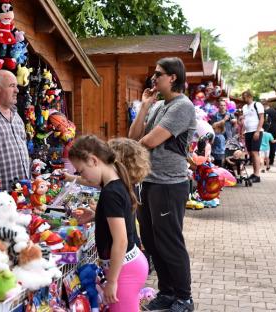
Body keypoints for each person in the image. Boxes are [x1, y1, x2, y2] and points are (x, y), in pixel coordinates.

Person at [128, 57, 195, 312]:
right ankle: (167, 292)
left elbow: (150, 141)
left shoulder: (182, 106)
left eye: (158, 74)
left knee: (169, 241)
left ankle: (184, 297)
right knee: (152, 241)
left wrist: (130, 148)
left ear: (173, 77)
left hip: (169, 184)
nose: (153, 79)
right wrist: (145, 106)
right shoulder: (159, 106)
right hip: (149, 181)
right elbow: (134, 136)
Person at [67, 135, 149, 312]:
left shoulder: (111, 192)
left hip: (124, 270)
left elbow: (121, 241)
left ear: (93, 160)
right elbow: (121, 219)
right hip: (128, 266)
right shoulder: (114, 184)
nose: (83, 176)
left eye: (81, 171)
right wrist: (98, 216)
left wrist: (111, 281)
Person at [242, 90, 264, 182]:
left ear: (250, 96)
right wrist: (243, 130)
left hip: (256, 131)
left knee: (255, 152)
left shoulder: (257, 105)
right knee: (251, 153)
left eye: (245, 97)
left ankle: (257, 175)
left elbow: (262, 118)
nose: (244, 99)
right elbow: (245, 119)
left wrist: (258, 131)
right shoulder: (244, 107)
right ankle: (254, 173)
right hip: (248, 132)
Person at [262, 100, 276, 166]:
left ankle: (267, 160)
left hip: (268, 129)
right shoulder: (274, 110)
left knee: (266, 145)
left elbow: (266, 121)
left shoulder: (266, 112)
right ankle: (271, 159)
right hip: (275, 129)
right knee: (273, 144)